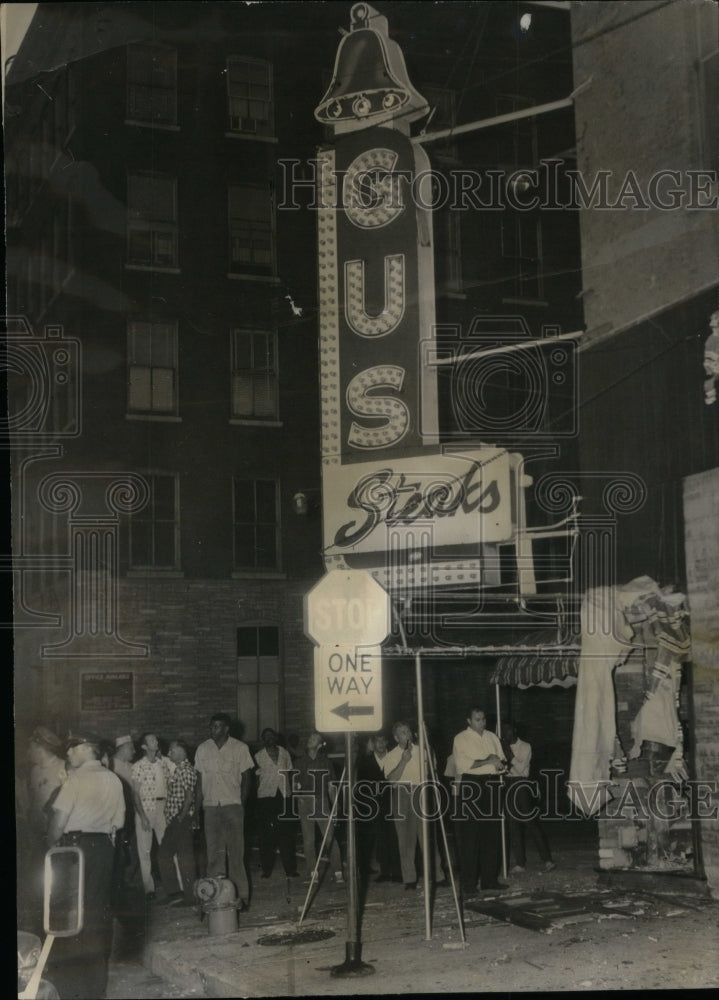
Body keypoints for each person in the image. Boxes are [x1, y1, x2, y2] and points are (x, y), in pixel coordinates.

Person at [46, 733, 125, 1000]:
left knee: (67, 915)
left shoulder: (75, 779)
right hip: (103, 849)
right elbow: (120, 822)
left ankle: (71, 987)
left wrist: (47, 848)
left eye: (72, 749)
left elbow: (57, 825)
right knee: (96, 915)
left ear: (86, 749)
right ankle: (96, 988)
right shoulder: (114, 779)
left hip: (73, 851)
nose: (68, 754)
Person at [194, 712, 254, 908]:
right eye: (211, 726)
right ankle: (215, 897)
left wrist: (241, 803)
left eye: (217, 726)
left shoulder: (240, 748)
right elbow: (199, 782)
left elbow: (247, 778)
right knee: (213, 855)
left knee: (236, 854)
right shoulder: (202, 749)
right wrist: (197, 809)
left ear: (226, 728)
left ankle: (242, 897)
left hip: (232, 807)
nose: (213, 729)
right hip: (211, 808)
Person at [382, 721, 446, 890]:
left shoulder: (422, 751)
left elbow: (432, 773)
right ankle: (409, 879)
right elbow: (391, 780)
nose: (407, 734)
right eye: (402, 732)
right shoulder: (391, 755)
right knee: (405, 840)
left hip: (421, 792)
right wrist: (403, 761)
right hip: (401, 793)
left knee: (426, 837)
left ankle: (438, 876)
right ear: (396, 738)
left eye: (408, 730)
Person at [452, 707, 507, 897]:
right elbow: (462, 765)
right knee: (470, 836)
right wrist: (487, 760)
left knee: (491, 832)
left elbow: (501, 761)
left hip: (491, 784)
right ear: (468, 721)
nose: (482, 723)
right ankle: (468, 885)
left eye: (483, 719)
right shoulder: (461, 738)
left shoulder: (492, 736)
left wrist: (498, 764)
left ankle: (489, 880)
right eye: (477, 720)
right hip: (472, 784)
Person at [501, 722, 556, 874]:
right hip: (508, 784)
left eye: (508, 731)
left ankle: (547, 860)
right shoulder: (501, 747)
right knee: (512, 824)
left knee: (530, 822)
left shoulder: (525, 746)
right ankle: (520, 863)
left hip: (521, 784)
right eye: (503, 731)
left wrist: (508, 754)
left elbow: (520, 768)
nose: (505, 734)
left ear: (514, 731)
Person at [293, 731, 343, 884]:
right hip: (304, 802)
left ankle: (338, 873)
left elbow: (331, 786)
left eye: (314, 739)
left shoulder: (326, 762)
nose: (310, 740)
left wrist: (335, 806)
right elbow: (294, 785)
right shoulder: (299, 762)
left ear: (320, 745)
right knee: (308, 840)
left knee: (329, 838)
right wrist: (297, 790)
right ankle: (313, 874)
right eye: (310, 737)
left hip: (321, 802)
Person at [131, 732, 173, 901]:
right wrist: (142, 816)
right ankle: (149, 889)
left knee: (167, 847)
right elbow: (135, 794)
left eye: (156, 739)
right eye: (151, 740)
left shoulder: (164, 763)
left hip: (163, 808)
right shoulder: (138, 766)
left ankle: (172, 886)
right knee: (145, 850)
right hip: (145, 809)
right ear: (144, 747)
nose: (156, 741)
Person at [158, 740, 198, 905]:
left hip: (179, 819)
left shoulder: (186, 771)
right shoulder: (178, 770)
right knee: (184, 856)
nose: (169, 754)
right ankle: (188, 896)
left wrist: (181, 817)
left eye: (171, 751)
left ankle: (178, 894)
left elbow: (189, 798)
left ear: (181, 751)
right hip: (177, 819)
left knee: (164, 855)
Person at [254, 727, 298, 878]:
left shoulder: (285, 753)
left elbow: (290, 773)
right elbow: (255, 778)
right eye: (266, 736)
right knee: (267, 835)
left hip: (284, 795)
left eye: (272, 736)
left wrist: (292, 793)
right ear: (262, 739)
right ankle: (267, 869)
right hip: (266, 797)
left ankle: (290, 869)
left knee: (286, 833)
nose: (270, 738)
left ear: (276, 738)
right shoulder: (257, 756)